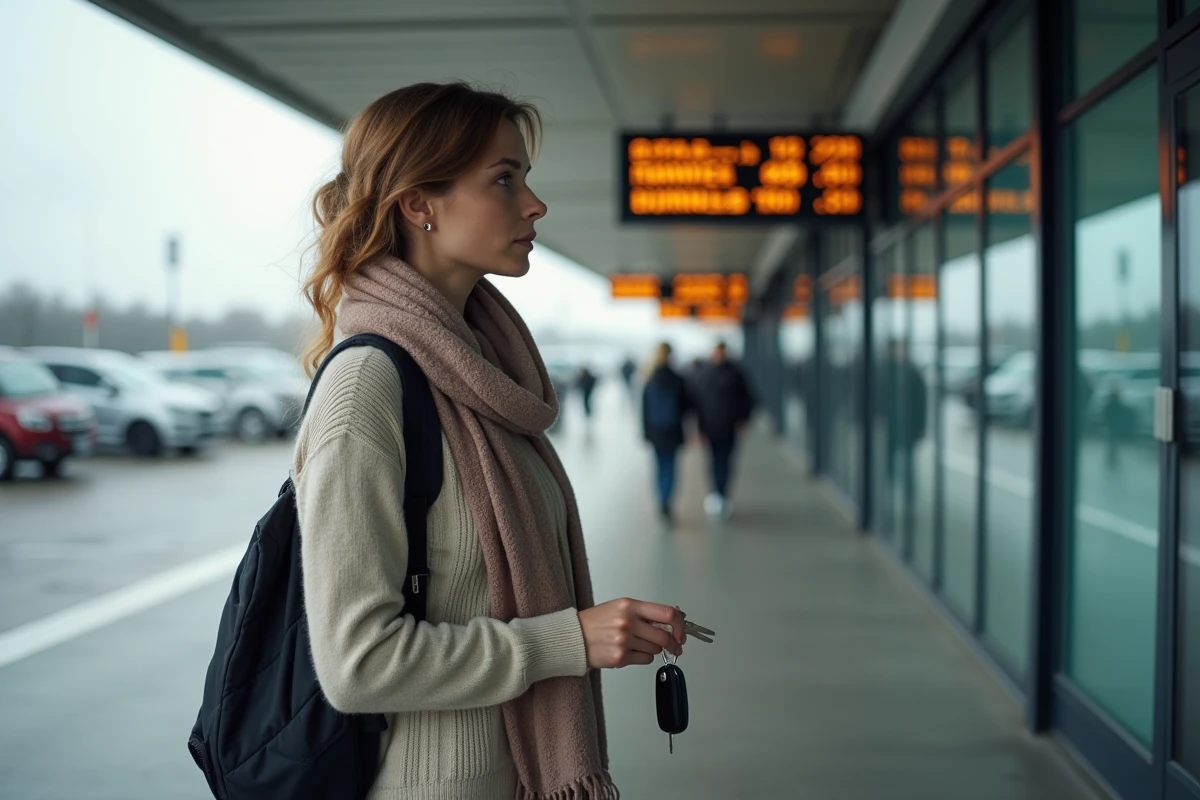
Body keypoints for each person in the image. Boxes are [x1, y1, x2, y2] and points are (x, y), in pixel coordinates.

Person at [292, 82, 687, 800]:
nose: (534, 205)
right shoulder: (367, 388)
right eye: (504, 180)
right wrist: (571, 639)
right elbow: (358, 665)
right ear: (419, 204)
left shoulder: (485, 375)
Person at [690, 341, 756, 518]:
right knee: (713, 461)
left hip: (729, 425)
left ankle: (722, 492)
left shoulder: (735, 373)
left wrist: (744, 420)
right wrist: (699, 429)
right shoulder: (705, 374)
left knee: (726, 461)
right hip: (710, 426)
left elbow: (747, 398)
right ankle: (715, 493)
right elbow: (697, 404)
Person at [641, 343, 693, 523]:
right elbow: (686, 406)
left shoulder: (650, 378)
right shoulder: (678, 379)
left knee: (659, 466)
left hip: (656, 432)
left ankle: (661, 499)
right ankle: (667, 500)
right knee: (671, 467)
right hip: (673, 431)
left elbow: (645, 410)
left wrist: (646, 433)